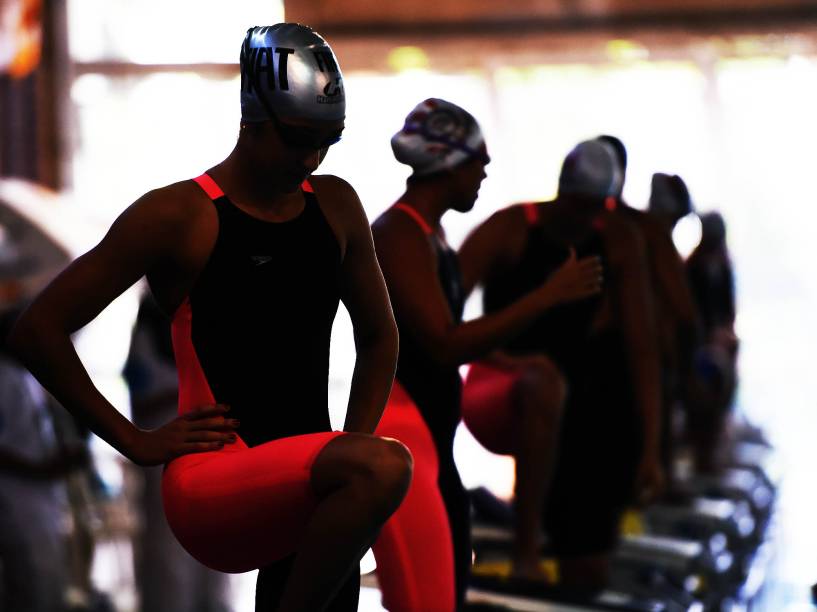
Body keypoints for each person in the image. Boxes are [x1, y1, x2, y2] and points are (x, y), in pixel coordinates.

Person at [10, 23, 411, 612]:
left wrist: (347, 446)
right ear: (252, 118)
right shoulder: (180, 215)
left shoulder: (336, 205)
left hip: (308, 471)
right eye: (298, 137)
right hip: (215, 481)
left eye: (329, 140)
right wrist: (134, 441)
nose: (311, 156)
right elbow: (37, 330)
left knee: (358, 497)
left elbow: (380, 338)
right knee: (380, 468)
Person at [371, 99, 602, 609]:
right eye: (479, 158)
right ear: (447, 161)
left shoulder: (430, 235)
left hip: (434, 444)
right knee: (427, 599)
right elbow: (444, 343)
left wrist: (511, 361)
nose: (486, 169)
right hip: (408, 442)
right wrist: (547, 295)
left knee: (448, 587)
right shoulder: (399, 235)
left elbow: (442, 335)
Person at [460, 139, 663, 588]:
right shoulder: (510, 229)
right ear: (560, 192)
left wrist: (650, 449)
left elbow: (642, 350)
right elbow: (435, 315)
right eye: (576, 205)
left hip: (577, 401)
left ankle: (572, 554)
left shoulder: (618, 238)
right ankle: (526, 549)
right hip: (500, 386)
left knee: (588, 561)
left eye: (594, 207)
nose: (583, 218)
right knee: (543, 382)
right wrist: (497, 353)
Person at [597, 136, 700, 484]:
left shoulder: (559, 223)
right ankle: (655, 484)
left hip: (589, 353)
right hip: (640, 350)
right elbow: (681, 304)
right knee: (649, 431)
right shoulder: (643, 230)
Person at [124, 293, 231, 612]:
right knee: (168, 549)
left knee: (217, 538)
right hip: (166, 450)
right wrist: (188, 395)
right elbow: (143, 400)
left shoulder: (208, 334)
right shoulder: (147, 337)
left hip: (210, 450)